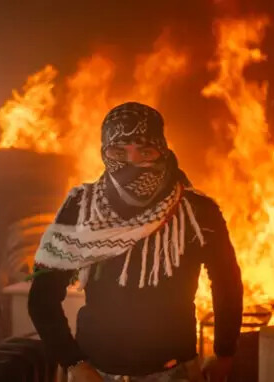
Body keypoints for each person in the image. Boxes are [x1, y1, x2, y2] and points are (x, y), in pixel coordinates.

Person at [28, 102, 243, 382]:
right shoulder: (81, 207)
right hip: (94, 373)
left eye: (144, 150)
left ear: (162, 150)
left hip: (175, 372)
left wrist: (225, 352)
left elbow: (227, 283)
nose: (132, 162)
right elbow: (42, 294)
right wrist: (74, 363)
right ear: (105, 153)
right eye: (119, 152)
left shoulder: (196, 211)